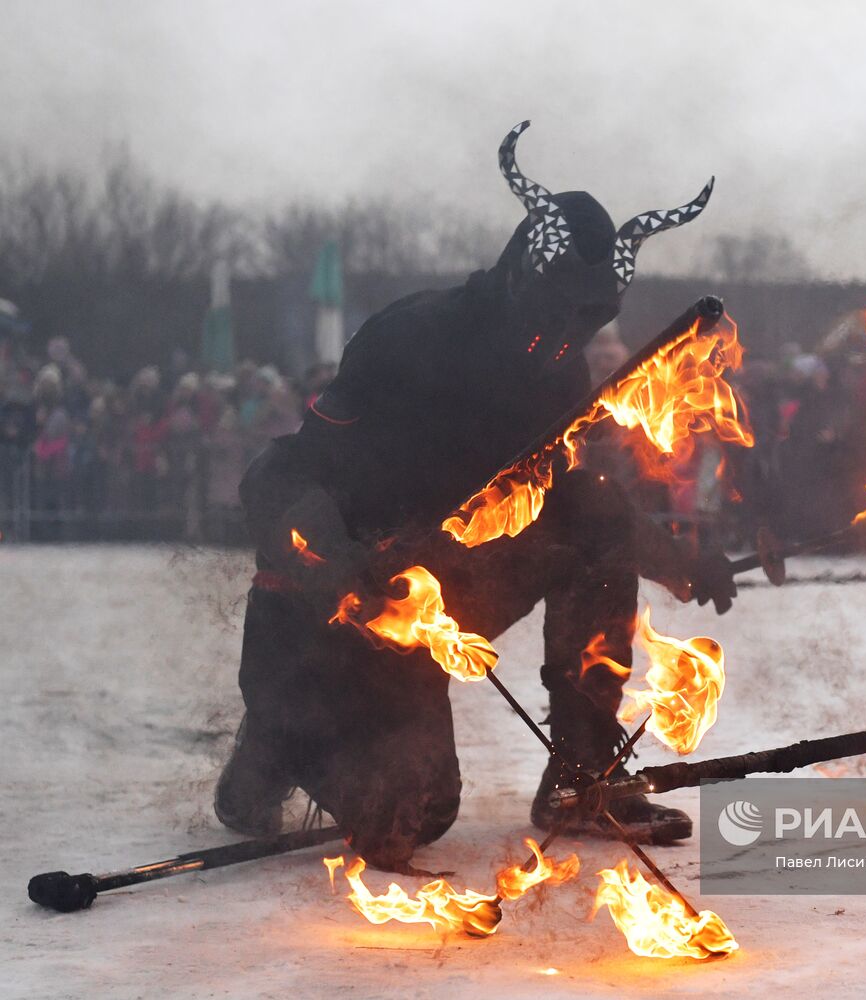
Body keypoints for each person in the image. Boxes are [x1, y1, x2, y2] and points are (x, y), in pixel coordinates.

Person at [215, 122, 736, 873]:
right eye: (560, 309)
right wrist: (340, 568)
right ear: (523, 274)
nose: (568, 332)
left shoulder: (560, 376)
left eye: (589, 317)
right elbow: (286, 473)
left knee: (593, 521)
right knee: (419, 812)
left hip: (445, 581)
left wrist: (680, 560)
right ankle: (275, 744)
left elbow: (574, 504)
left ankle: (583, 773)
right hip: (335, 604)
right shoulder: (410, 337)